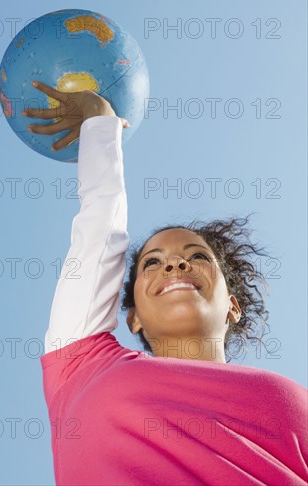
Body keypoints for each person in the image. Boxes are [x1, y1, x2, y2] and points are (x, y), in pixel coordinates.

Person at [23, 81, 308, 485]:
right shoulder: (82, 365)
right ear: (133, 317)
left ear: (233, 305)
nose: (175, 264)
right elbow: (100, 224)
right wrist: (101, 126)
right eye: (152, 263)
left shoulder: (292, 399)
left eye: (197, 257)